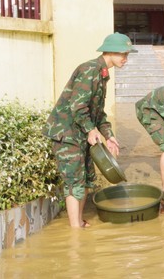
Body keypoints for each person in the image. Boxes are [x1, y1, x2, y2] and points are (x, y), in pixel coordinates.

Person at [43, 32, 136, 228]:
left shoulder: (102, 74)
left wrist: (109, 136)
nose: (125, 59)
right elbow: (78, 106)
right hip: (67, 134)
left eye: (127, 54)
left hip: (82, 135)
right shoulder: (89, 70)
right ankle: (74, 231)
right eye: (123, 54)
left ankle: (78, 222)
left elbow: (98, 113)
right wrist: (90, 130)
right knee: (74, 183)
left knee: (87, 181)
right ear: (109, 52)